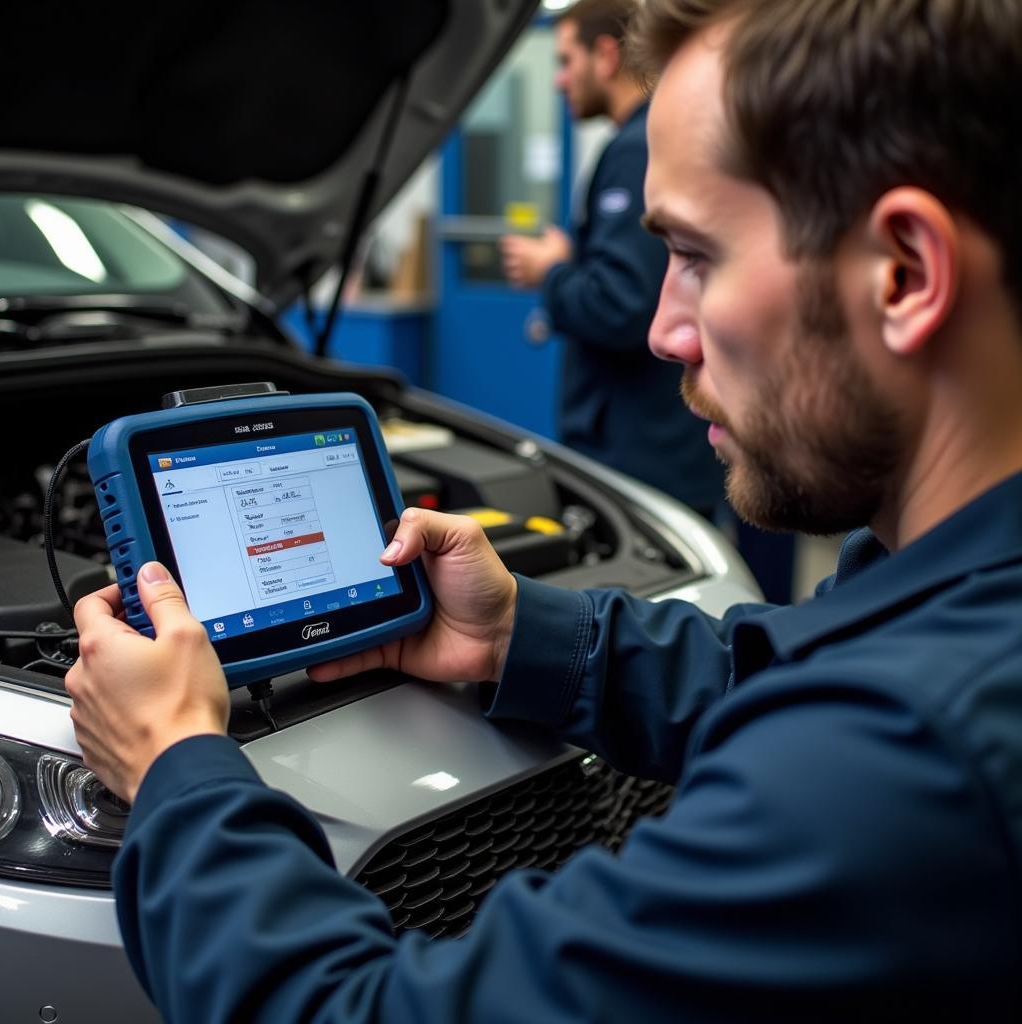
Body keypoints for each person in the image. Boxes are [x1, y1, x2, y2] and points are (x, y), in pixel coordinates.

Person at [67, 0, 1022, 1019]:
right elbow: (791, 666)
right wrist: (518, 633)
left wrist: (177, 767)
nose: (662, 329)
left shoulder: (904, 759)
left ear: (903, 273)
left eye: (696, 256)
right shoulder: (941, 598)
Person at [500, 0, 724, 518]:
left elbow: (622, 305)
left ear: (604, 55)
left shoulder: (636, 149)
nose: (558, 81)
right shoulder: (641, 142)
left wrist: (550, 272)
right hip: (652, 445)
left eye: (564, 60)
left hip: (639, 452)